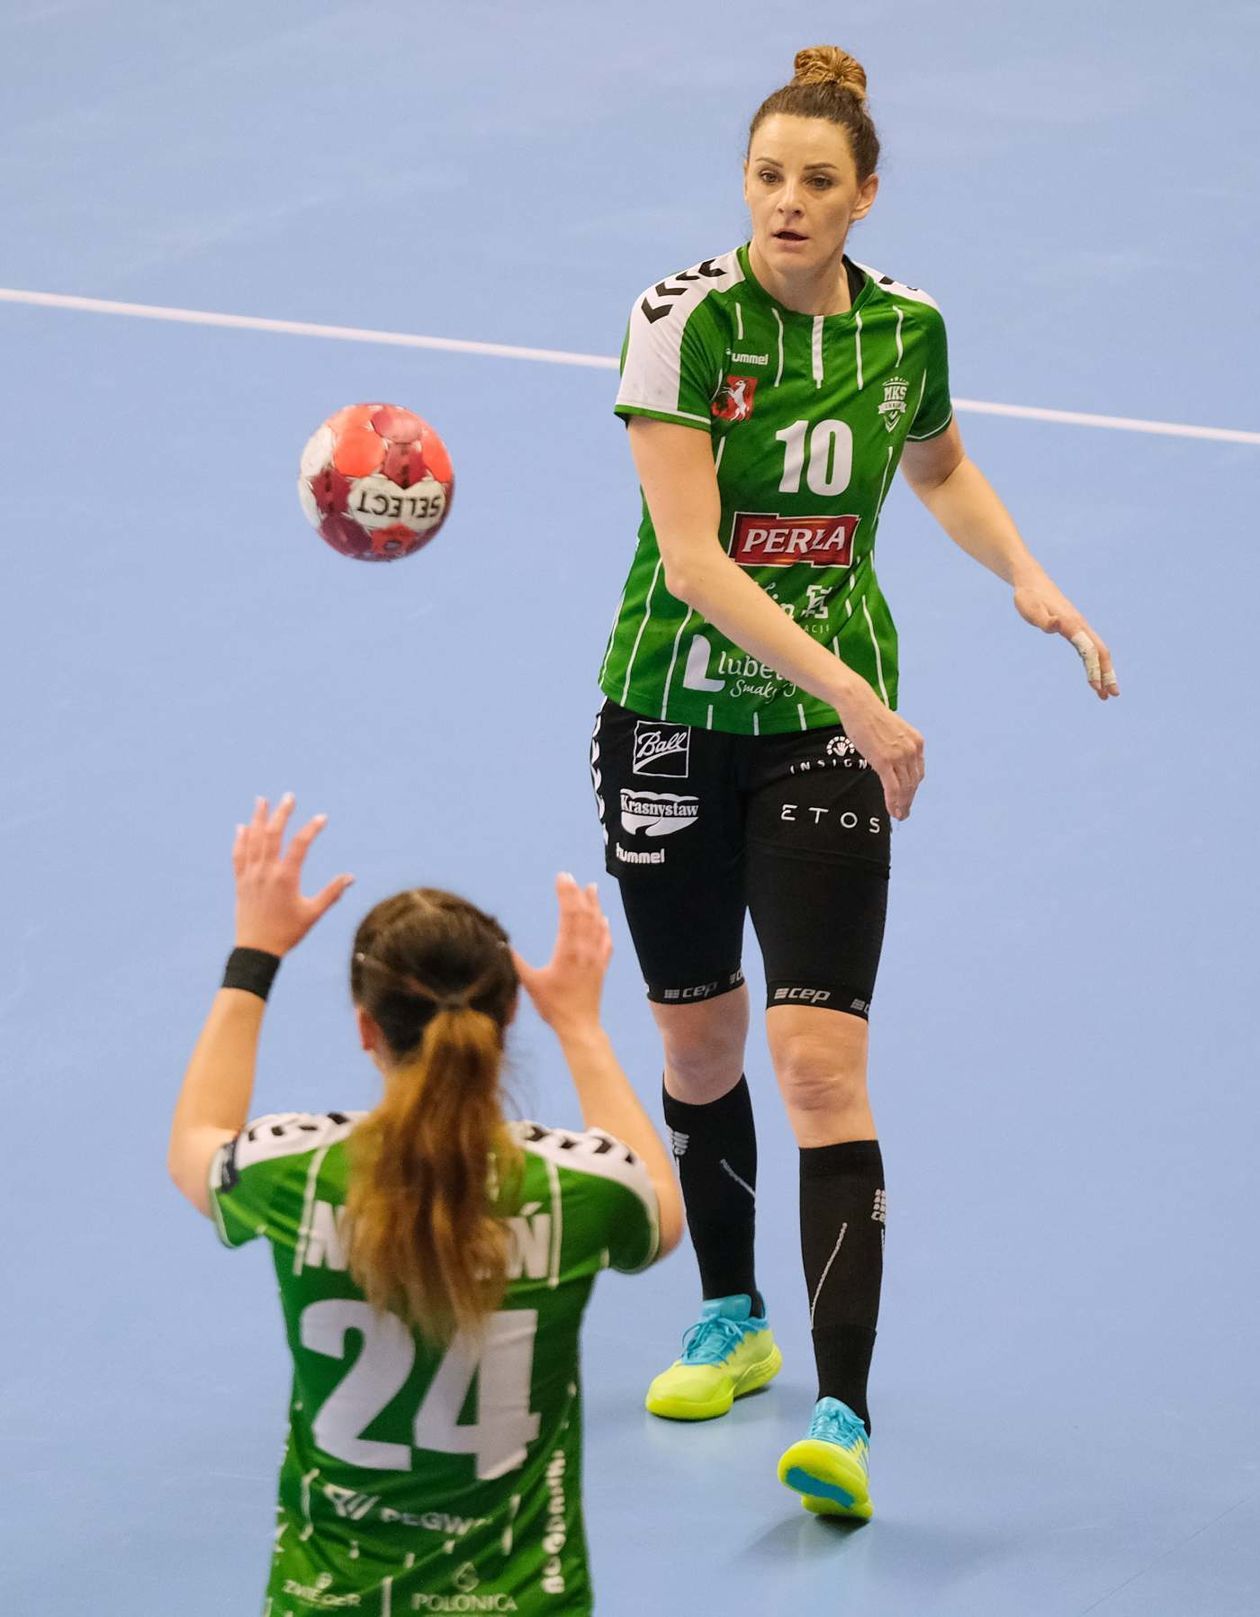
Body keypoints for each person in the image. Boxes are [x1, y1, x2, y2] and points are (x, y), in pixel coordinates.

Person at [591, 45, 1118, 1520]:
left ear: (866, 196)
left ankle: (842, 1413)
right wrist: (862, 696)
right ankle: (731, 1315)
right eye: (768, 175)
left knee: (820, 1065)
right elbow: (693, 562)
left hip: (829, 738)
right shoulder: (678, 324)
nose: (788, 202)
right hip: (672, 722)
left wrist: (1027, 576)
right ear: (745, 184)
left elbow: (939, 467)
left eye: (819, 181)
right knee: (700, 1050)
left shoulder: (909, 331)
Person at [168, 795, 683, 1615]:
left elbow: (197, 1137)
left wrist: (255, 952)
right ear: (509, 1016)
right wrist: (582, 1027)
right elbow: (660, 1209)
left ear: (366, 1029)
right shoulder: (581, 1187)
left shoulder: (291, 1170)